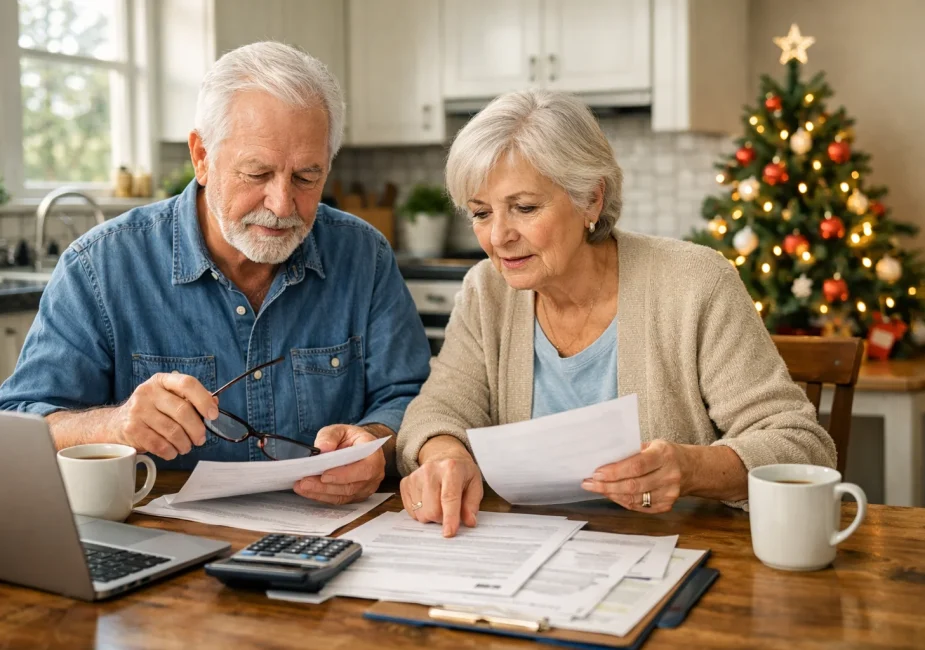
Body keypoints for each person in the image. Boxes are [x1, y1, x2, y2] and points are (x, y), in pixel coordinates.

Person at [0, 42, 431, 505]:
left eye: (307, 177)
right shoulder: (100, 268)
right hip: (163, 546)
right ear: (201, 156)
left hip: (329, 539)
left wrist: (376, 441)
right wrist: (115, 423)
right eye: (257, 173)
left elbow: (414, 397)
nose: (282, 204)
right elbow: (18, 426)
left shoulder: (364, 255)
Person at [396, 89, 835, 536]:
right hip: (527, 558)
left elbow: (801, 445)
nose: (498, 236)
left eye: (524, 208)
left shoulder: (694, 282)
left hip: (685, 553)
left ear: (591, 199)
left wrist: (691, 468)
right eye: (481, 213)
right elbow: (438, 409)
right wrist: (444, 455)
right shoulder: (484, 291)